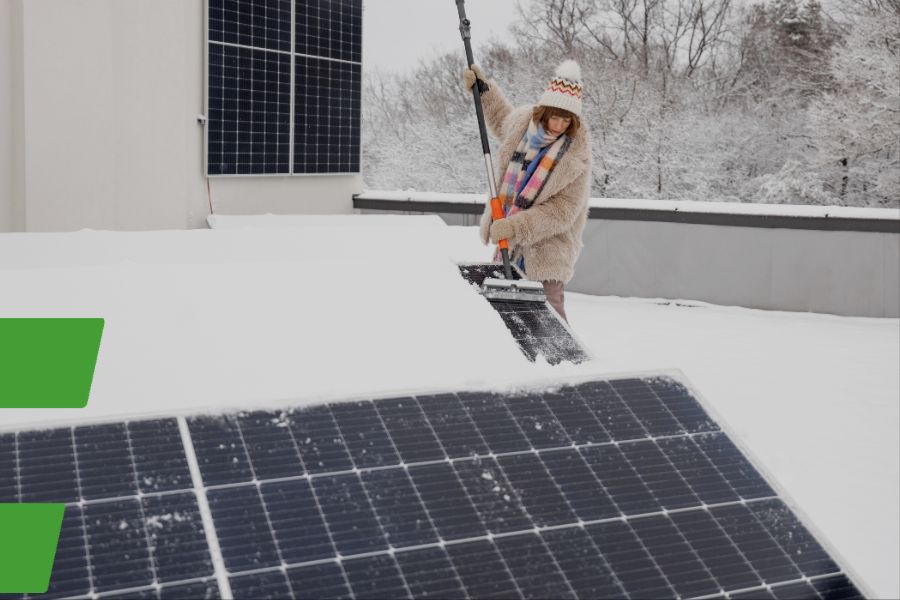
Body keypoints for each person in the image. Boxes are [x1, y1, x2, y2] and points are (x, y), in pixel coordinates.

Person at [463, 60, 592, 323]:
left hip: (547, 252)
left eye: (566, 120)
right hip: (509, 248)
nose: (558, 125)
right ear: (543, 112)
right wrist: (483, 90)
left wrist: (513, 227)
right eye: (554, 117)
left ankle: (569, 366)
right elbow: (501, 120)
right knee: (506, 319)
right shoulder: (524, 125)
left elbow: (561, 212)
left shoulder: (577, 157)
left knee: (550, 321)